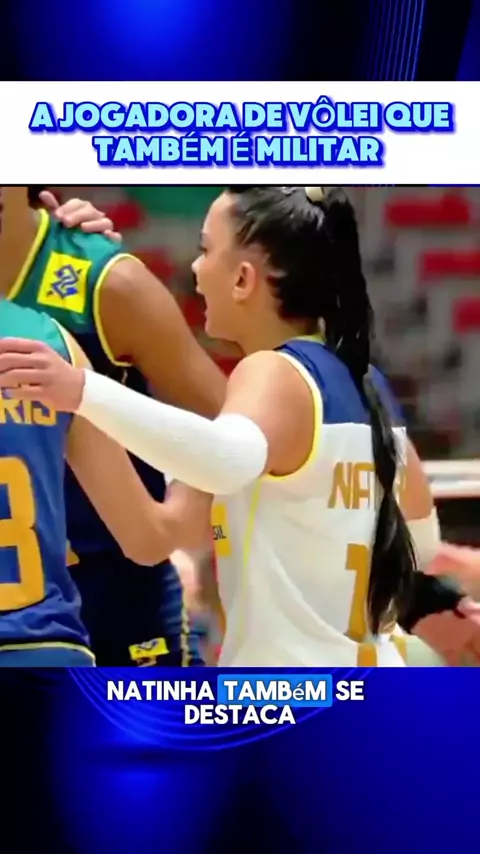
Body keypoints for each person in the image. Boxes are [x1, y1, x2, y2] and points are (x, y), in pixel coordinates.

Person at [2, 185, 480, 667]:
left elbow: (227, 458)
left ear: (243, 279)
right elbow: (420, 543)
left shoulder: (272, 372)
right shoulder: (369, 386)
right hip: (374, 675)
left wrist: (83, 389)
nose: (195, 268)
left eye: (206, 249)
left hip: (288, 691)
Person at [0, 185, 225, 666]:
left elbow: (230, 423)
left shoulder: (106, 283)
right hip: (45, 620)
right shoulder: (51, 333)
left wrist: (182, 525)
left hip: (118, 602)